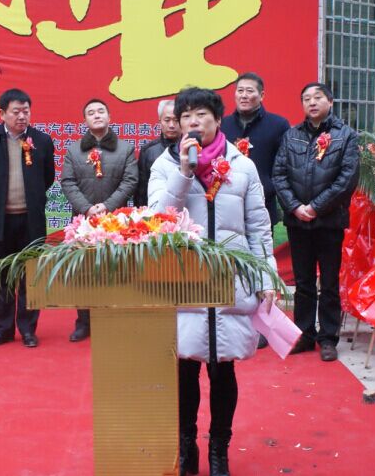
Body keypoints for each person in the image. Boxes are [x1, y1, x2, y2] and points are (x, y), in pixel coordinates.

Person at [148, 87, 276, 476]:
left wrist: (266, 274)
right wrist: (184, 174)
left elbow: (258, 225)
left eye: (201, 114)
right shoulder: (164, 165)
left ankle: (219, 450)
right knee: (184, 370)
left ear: (218, 120)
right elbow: (157, 218)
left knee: (223, 370)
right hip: (183, 279)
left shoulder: (243, 166)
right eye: (186, 116)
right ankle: (186, 447)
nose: (193, 122)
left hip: (229, 279)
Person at [272, 83, 359, 362]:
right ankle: (305, 334)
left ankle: (328, 338)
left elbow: (347, 179)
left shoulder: (345, 136)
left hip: (329, 221)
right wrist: (296, 207)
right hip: (298, 222)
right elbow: (279, 175)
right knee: (304, 282)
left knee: (329, 282)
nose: (312, 102)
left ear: (330, 102)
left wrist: (315, 207)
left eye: (317, 97)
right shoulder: (292, 135)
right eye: (306, 98)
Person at [0, 89, 54, 349]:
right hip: (0, 221)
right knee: (3, 276)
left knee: (30, 276)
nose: (21, 116)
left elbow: (48, 177)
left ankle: (28, 329)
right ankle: (3, 329)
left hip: (30, 221)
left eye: (25, 111)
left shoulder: (42, 140)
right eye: (16, 111)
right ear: (2, 114)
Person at [221, 72, 290, 349]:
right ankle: (231, 322)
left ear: (262, 95)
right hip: (226, 209)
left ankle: (262, 325)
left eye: (250, 91)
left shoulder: (278, 125)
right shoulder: (223, 125)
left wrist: (268, 188)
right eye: (240, 90)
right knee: (230, 269)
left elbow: (283, 165)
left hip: (262, 207)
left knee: (259, 266)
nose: (244, 95)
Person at [60, 98, 138, 342]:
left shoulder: (125, 149)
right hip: (83, 221)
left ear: (109, 117)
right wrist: (87, 209)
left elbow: (130, 181)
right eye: (91, 112)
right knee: (83, 272)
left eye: (101, 111)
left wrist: (107, 206)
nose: (96, 115)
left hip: (116, 220)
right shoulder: (74, 150)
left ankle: (114, 319)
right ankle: (84, 322)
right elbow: (67, 182)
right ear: (85, 120)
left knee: (117, 270)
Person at [134, 99, 180, 207]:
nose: (171, 125)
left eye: (176, 120)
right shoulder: (148, 150)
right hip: (156, 210)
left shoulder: (192, 148)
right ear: (160, 121)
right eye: (167, 120)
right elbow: (141, 191)